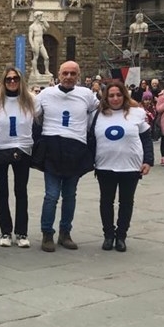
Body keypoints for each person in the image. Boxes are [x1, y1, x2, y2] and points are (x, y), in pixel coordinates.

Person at [34, 60, 98, 252]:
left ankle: (65, 233)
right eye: (65, 73)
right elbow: (31, 113)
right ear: (58, 75)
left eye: (73, 73)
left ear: (78, 75)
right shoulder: (46, 94)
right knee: (51, 195)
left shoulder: (86, 95)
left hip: (76, 147)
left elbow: (101, 110)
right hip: (52, 146)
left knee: (70, 195)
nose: (69, 77)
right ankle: (47, 233)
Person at [0, 67, 40, 248]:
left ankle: (21, 232)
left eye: (15, 79)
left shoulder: (31, 100)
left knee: (21, 191)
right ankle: (5, 231)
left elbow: (42, 121)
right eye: (8, 79)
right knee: (2, 192)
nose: (12, 82)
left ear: (20, 81)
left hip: (22, 149)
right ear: (4, 81)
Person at [92, 82, 153, 252]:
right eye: (111, 95)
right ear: (106, 97)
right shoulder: (98, 115)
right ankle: (108, 235)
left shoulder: (137, 113)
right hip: (105, 165)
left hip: (130, 166)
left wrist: (148, 160)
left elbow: (146, 138)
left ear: (124, 95)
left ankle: (121, 236)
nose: (115, 98)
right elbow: (91, 139)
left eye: (118, 95)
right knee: (106, 202)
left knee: (126, 202)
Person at [29, 11, 51, 78]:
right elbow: (30, 37)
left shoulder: (41, 25)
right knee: (36, 57)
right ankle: (35, 71)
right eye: (40, 16)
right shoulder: (32, 26)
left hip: (41, 42)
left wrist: (44, 21)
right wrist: (32, 45)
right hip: (36, 41)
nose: (41, 17)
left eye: (41, 16)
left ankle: (46, 71)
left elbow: (47, 27)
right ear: (37, 17)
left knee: (46, 57)